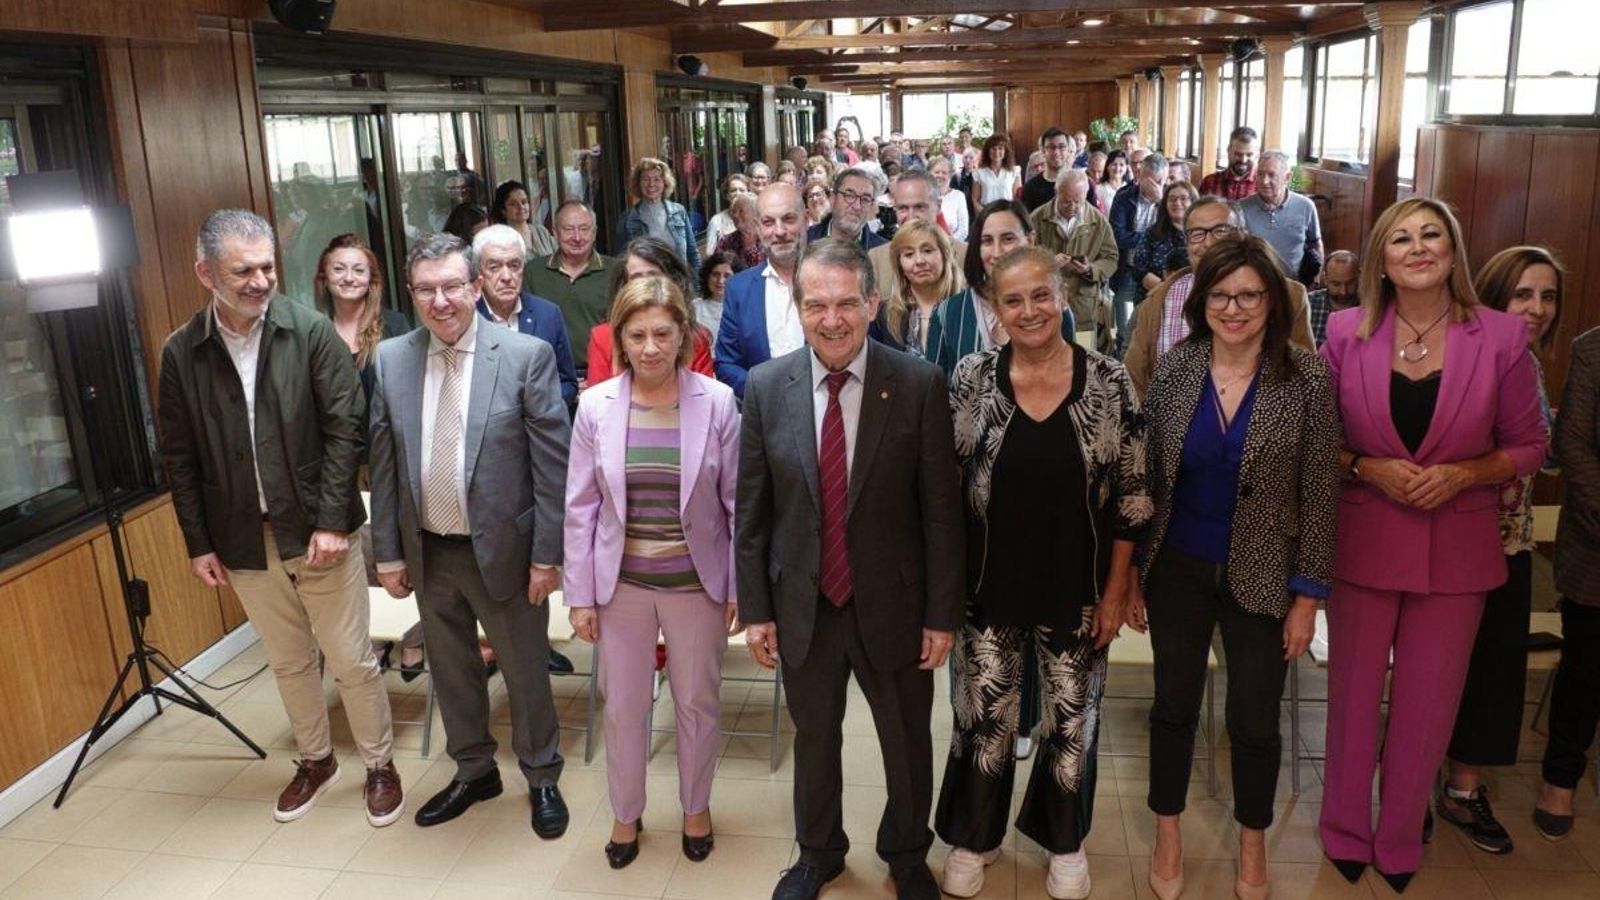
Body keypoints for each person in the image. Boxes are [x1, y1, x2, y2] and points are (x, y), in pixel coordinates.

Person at [1317, 198, 1547, 892]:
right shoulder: (1342, 331)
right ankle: (1344, 831)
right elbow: (1319, 440)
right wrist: (1366, 465)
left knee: (1428, 705)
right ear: (1380, 260)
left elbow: (1530, 444)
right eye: (1401, 239)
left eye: (1432, 236)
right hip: (1365, 536)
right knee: (1353, 697)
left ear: (1453, 252)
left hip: (1457, 544)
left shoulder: (1503, 337)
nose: (1417, 248)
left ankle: (1398, 839)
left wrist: (1463, 475)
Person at [737, 238, 964, 900]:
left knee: (906, 740)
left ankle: (907, 852)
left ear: (870, 303)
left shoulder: (918, 384)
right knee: (814, 739)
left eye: (844, 304)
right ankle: (818, 852)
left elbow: (941, 516)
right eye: (816, 306)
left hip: (892, 603)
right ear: (799, 307)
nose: (831, 320)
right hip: (803, 603)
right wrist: (756, 609)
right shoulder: (764, 386)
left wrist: (941, 616)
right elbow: (750, 514)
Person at [158, 209, 400, 827]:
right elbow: (180, 457)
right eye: (243, 270)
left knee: (349, 658)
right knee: (289, 660)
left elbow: (346, 428)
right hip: (243, 539)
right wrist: (197, 543)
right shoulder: (182, 353)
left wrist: (328, 520)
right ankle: (317, 760)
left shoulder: (309, 331)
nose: (261, 280)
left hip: (322, 534)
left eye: (268, 265)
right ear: (205, 273)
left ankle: (379, 765)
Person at [1129, 235, 1340, 900]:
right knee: (1173, 708)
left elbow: (1322, 495)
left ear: (1274, 301)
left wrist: (1308, 597)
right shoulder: (1177, 368)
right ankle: (1168, 832)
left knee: (1253, 720)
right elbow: (1149, 479)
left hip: (1264, 575)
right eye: (1220, 294)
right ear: (1200, 302)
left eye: (1250, 294)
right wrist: (1132, 572)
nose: (1235, 307)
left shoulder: (1305, 377)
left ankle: (1252, 844)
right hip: (1178, 570)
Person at [937, 245, 1148, 900]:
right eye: (1012, 300)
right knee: (983, 720)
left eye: (1040, 295)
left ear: (1062, 295)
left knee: (1069, 722)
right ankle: (975, 839)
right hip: (987, 587)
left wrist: (1117, 590)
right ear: (995, 310)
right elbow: (945, 490)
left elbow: (1135, 498)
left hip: (1077, 590)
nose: (1028, 310)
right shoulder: (970, 377)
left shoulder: (1110, 382)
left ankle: (1065, 844)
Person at [368, 232, 572, 836]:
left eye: (453, 285)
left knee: (525, 670)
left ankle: (541, 776)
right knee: (452, 671)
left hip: (507, 551)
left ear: (476, 287)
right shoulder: (392, 359)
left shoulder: (525, 356)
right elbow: (382, 465)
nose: (441, 300)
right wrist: (387, 552)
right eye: (426, 289)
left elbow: (551, 470)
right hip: (430, 550)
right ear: (412, 295)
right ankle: (475, 771)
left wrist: (547, 557)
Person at [563, 275, 740, 869]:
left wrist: (740, 586)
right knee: (623, 706)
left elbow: (739, 503)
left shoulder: (716, 402)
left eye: (663, 333)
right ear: (621, 338)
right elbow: (581, 507)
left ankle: (696, 807)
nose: (651, 347)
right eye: (637, 335)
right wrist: (580, 595)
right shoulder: (595, 406)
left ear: (685, 335)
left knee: (696, 701)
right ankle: (625, 811)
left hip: (697, 584)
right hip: (622, 587)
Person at [1436, 246, 1562, 854]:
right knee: (1436, 670)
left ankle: (1463, 789)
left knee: (1492, 671)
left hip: (1511, 542)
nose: (1536, 308)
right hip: (1457, 533)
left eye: (1547, 296)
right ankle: (1411, 780)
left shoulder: (1530, 360)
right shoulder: (1472, 352)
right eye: (1522, 295)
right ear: (1492, 295)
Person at [1125, 197, 1316, 399]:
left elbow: (1302, 376)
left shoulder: (1287, 295)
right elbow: (1135, 379)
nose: (1208, 242)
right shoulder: (1160, 300)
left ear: (1243, 235)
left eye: (1220, 231)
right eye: (1197, 234)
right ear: (1186, 243)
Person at [1536, 321, 1600, 841]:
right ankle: (1560, 780)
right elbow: (1574, 446)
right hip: (1596, 550)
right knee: (1586, 670)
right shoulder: (1592, 349)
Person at [928, 200, 1075, 379]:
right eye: (987, 241)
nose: (997, 252)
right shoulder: (948, 313)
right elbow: (934, 391)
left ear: (1030, 240)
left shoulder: (1055, 310)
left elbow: (1069, 381)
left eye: (1008, 239)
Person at [714, 182, 808, 398]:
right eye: (768, 222)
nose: (780, 231)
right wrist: (766, 394)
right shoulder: (739, 289)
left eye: (788, 219)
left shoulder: (830, 280)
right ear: (757, 228)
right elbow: (727, 364)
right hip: (765, 419)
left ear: (805, 219)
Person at [472, 225, 579, 407]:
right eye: (494, 267)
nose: (507, 276)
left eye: (514, 265)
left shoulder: (548, 314)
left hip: (540, 427)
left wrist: (540, 409)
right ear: (479, 273)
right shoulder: (469, 319)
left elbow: (568, 383)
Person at [588, 237, 715, 383]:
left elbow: (703, 398)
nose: (645, 285)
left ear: (674, 281)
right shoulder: (602, 337)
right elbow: (598, 401)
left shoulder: (697, 338)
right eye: (636, 278)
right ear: (623, 285)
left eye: (654, 276)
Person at [1028, 169, 1118, 353]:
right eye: (1066, 201)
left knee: (1084, 358)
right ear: (1056, 192)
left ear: (1086, 195)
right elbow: (1024, 259)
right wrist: (1048, 263)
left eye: (1078, 201)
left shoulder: (1098, 221)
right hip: (1046, 303)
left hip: (1084, 304)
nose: (1072, 206)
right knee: (1047, 357)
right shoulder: (1037, 218)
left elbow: (1111, 258)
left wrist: (1090, 269)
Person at [525, 200, 615, 382]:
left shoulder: (616, 271)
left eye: (584, 229)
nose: (577, 237)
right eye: (568, 229)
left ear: (594, 232)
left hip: (604, 375)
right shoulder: (533, 272)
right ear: (555, 232)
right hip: (548, 376)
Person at [314, 233, 409, 402]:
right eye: (338, 269)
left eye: (358, 270)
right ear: (325, 278)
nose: (349, 278)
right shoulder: (314, 333)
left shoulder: (395, 326)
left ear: (371, 279)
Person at [869, 170, 968, 310]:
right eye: (903, 208)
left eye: (919, 207)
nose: (911, 216)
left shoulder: (966, 254)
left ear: (938, 206)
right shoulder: (877, 258)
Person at [1110, 152, 1170, 345]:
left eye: (1159, 181)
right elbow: (1118, 236)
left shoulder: (1171, 201)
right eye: (1150, 181)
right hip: (1128, 269)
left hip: (1160, 274)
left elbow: (1175, 235)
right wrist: (1150, 238)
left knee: (1156, 332)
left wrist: (1161, 201)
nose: (1154, 187)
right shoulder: (1124, 197)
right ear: (1140, 176)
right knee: (1125, 331)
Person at [1239, 151, 1322, 285]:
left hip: (1294, 286)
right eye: (1260, 174)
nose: (1264, 181)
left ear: (1287, 177)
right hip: (1253, 287)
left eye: (1272, 175)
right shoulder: (1241, 208)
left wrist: (1316, 279)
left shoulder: (1305, 206)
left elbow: (1315, 243)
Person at [883, 220, 962, 358]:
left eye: (927, 251)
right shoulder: (886, 315)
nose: (919, 261)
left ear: (944, 255)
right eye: (909, 254)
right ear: (899, 264)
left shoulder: (970, 307)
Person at [617, 157, 701, 276]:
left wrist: (697, 288)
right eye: (645, 179)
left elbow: (692, 254)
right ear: (638, 183)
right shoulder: (627, 219)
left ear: (665, 183)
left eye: (657, 179)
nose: (651, 184)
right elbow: (621, 262)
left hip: (680, 285)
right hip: (646, 287)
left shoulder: (679, 212)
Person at [1133, 182, 1199, 300]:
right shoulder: (1152, 233)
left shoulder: (1202, 234)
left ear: (1193, 202)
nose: (1177, 203)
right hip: (1155, 299)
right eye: (1172, 199)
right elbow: (1139, 269)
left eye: (1183, 198)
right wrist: (1170, 292)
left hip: (1194, 300)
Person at [806, 167, 887, 252]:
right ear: (833, 198)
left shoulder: (882, 252)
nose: (857, 206)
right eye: (849, 195)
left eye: (865, 199)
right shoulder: (805, 241)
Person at [490, 179, 557, 258]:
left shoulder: (541, 232)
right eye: (513, 204)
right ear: (503, 210)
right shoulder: (500, 241)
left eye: (524, 202)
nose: (521, 207)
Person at [1307, 250, 1360, 346]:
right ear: (1325, 279)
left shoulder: (1370, 306)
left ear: (1359, 278)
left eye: (1350, 283)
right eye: (1336, 284)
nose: (1343, 291)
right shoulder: (1309, 303)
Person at [1198, 127, 1260, 201]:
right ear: (1228, 150)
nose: (1243, 160)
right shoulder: (1210, 182)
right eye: (1238, 154)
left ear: (1257, 154)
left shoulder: (1263, 185)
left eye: (1249, 155)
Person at [1021, 127, 1074, 213]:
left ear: (1069, 151)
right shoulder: (1030, 189)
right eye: (1051, 147)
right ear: (1042, 151)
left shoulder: (1083, 185)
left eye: (1062, 147)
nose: (1056, 152)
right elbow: (1026, 224)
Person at [702, 173, 754, 257]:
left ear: (748, 192)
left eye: (742, 190)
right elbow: (709, 254)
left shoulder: (756, 217)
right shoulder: (716, 221)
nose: (738, 193)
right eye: (733, 190)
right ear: (727, 195)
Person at [713, 194, 765, 271]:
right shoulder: (726, 242)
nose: (735, 215)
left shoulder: (770, 239)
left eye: (741, 211)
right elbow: (716, 268)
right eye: (733, 211)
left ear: (755, 214)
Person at [696, 250, 737, 341]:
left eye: (727, 276)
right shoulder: (694, 308)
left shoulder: (745, 310)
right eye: (715, 274)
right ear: (707, 277)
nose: (720, 281)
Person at [970, 133, 1020, 208]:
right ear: (988, 151)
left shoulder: (1014, 171)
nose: (996, 152)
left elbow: (1017, 198)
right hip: (986, 212)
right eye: (993, 148)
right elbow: (975, 200)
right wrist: (986, 216)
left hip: (1007, 212)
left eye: (1000, 148)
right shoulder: (978, 173)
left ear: (1005, 151)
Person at [929, 155, 970, 242]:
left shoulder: (959, 196)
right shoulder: (923, 195)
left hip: (952, 246)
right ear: (929, 174)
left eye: (944, 173)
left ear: (950, 175)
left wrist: (948, 242)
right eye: (937, 172)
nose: (940, 175)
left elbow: (963, 230)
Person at [1095, 150, 1127, 215]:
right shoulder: (1099, 189)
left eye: (1121, 165)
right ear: (1107, 166)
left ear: (1126, 168)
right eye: (1114, 164)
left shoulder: (1130, 189)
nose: (1117, 168)